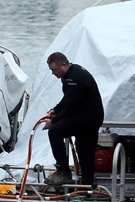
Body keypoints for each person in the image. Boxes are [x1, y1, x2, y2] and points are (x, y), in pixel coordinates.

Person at [35, 52, 104, 189]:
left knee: (55, 132)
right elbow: (68, 98)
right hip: (89, 115)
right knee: (84, 151)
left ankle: (63, 170)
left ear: (64, 64)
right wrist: (55, 110)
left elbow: (71, 107)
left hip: (87, 117)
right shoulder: (71, 73)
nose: (53, 74)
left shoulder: (74, 78)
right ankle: (88, 185)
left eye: (54, 70)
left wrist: (53, 122)